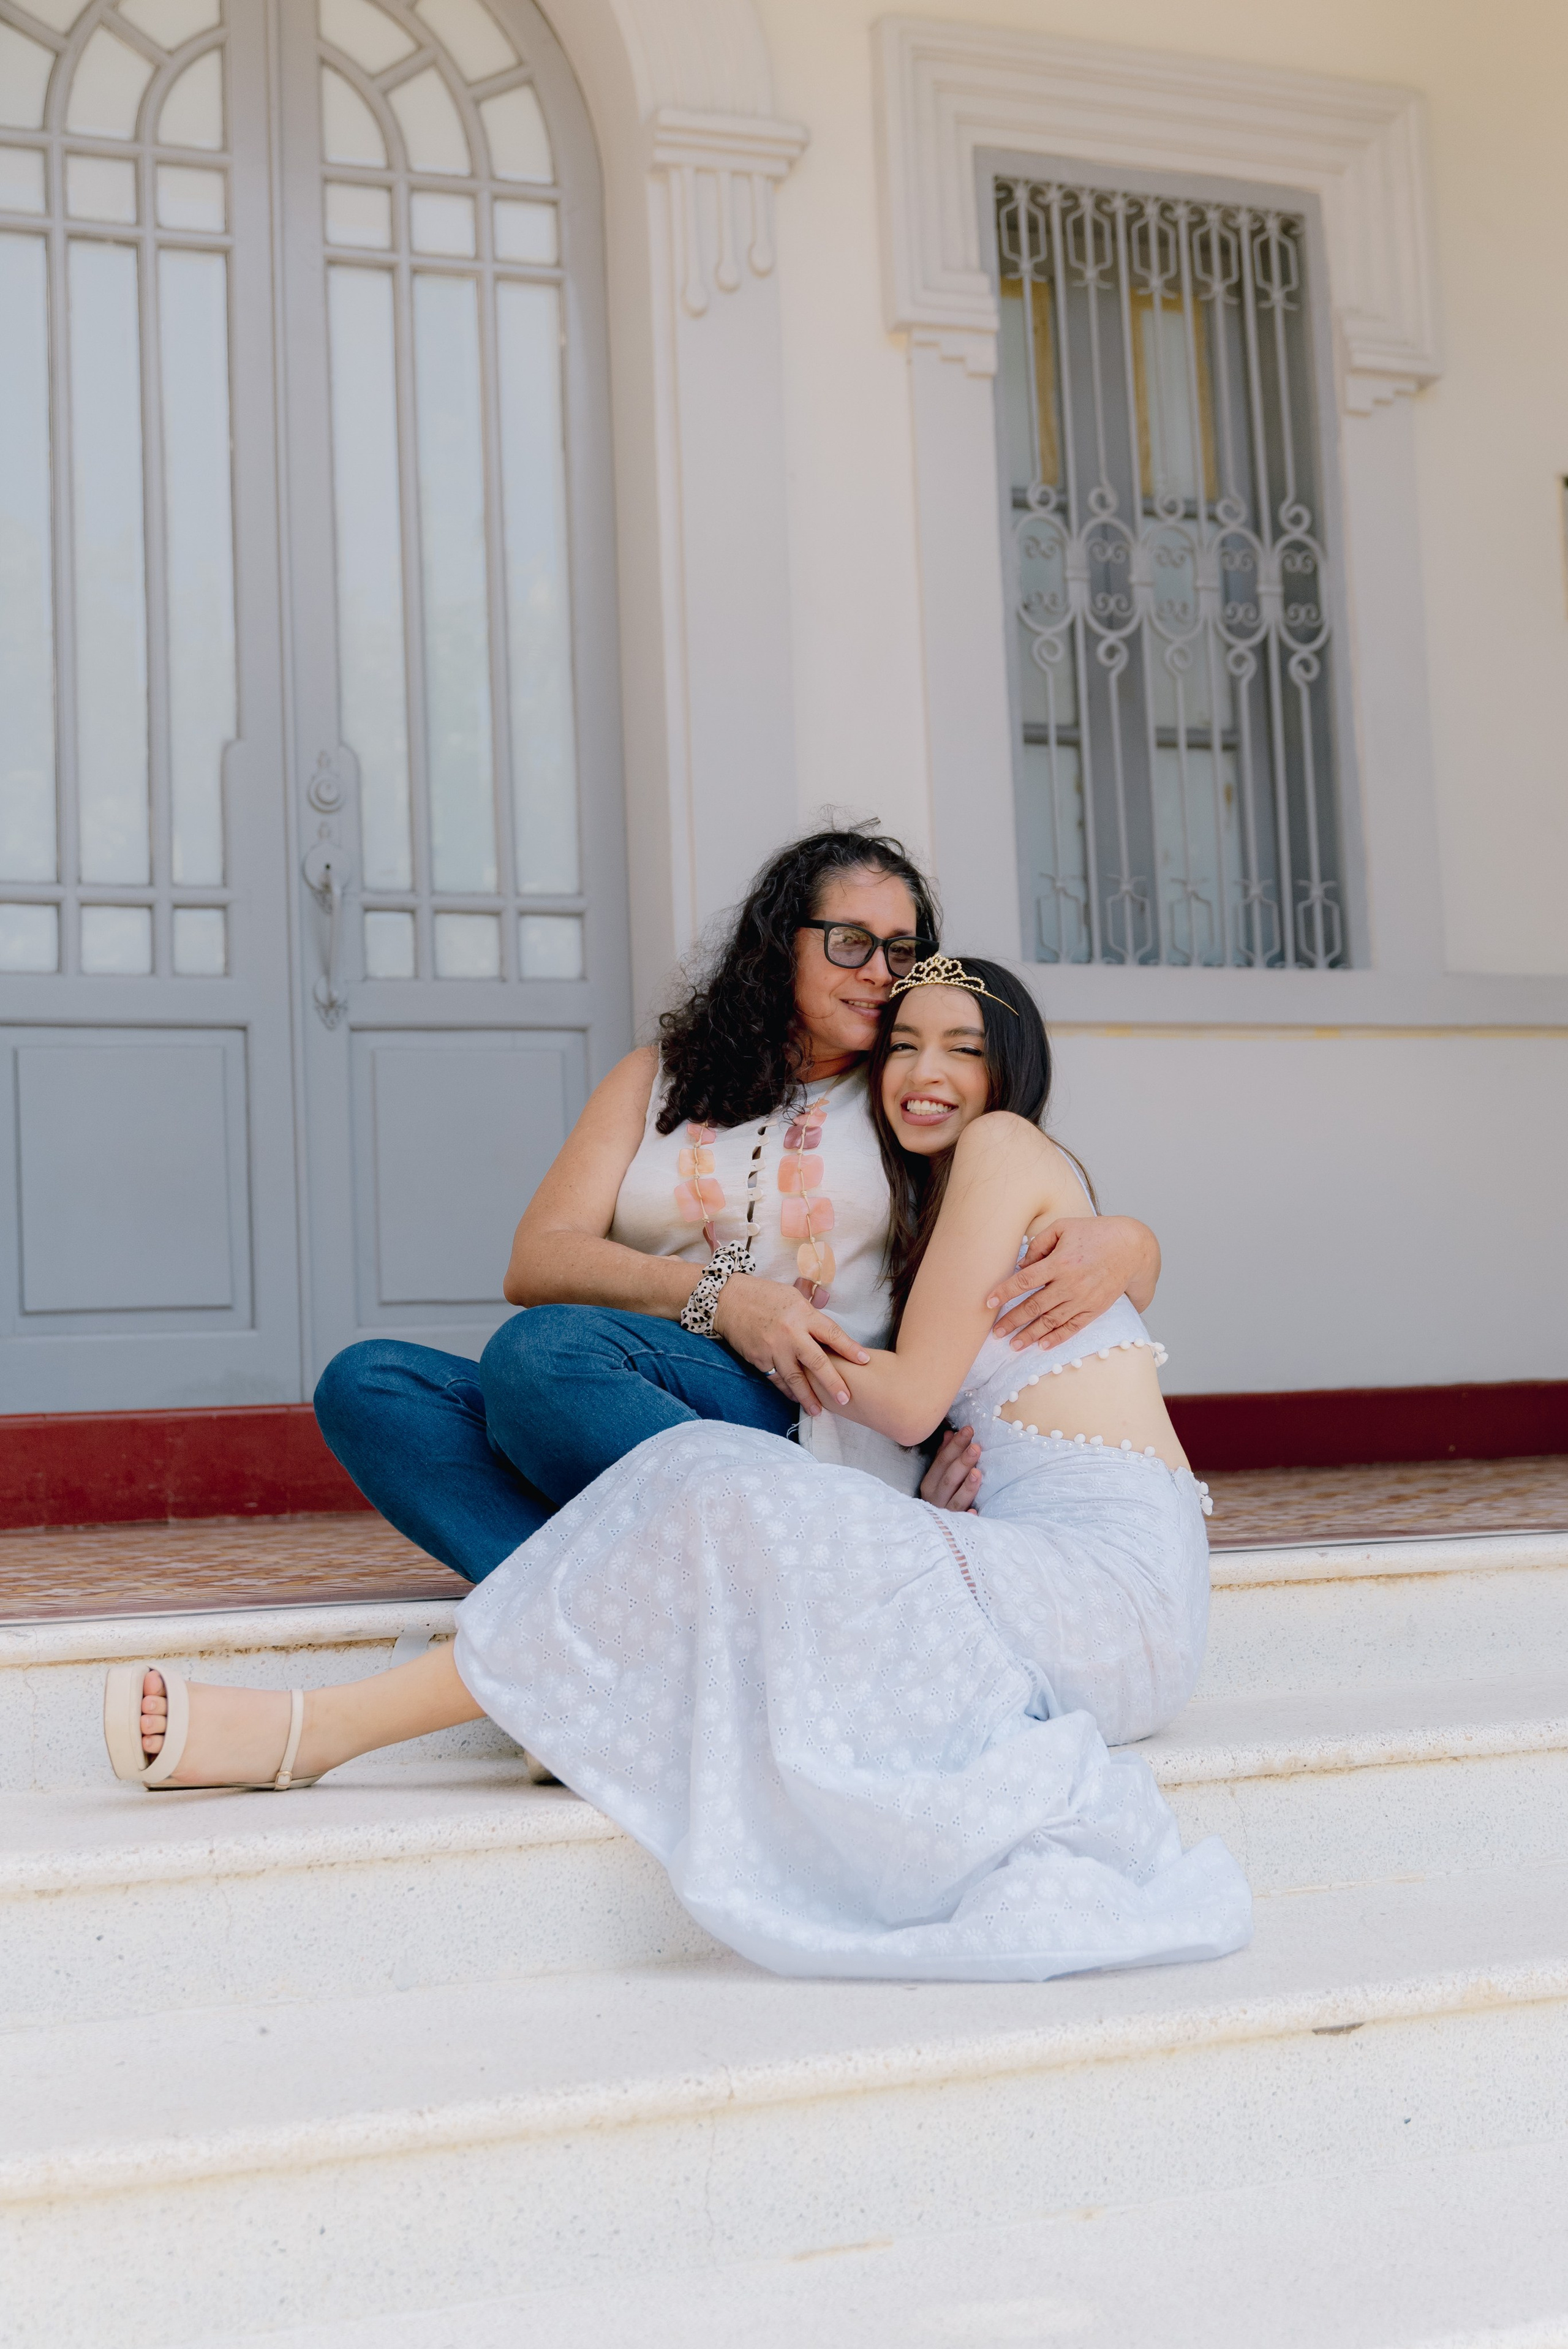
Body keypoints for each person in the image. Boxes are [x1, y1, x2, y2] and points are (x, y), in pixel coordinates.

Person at [105, 956, 1251, 1986]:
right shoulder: (932, 1197)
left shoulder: (1004, 1152)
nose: (921, 1070)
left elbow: (905, 1398)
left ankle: (314, 1731)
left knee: (710, 1475)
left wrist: (1129, 1243)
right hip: (1039, 1564)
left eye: (961, 1046)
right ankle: (595, 1666)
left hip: (1110, 1594)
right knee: (474, 1402)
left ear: (1015, 1068)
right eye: (903, 1043)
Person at [314, 827, 1161, 1578]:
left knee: (541, 1356)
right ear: (779, 946)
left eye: (904, 950)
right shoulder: (657, 1079)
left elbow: (1034, 1221)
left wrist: (1131, 1244)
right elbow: (537, 1257)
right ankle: (604, 1621)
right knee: (371, 1384)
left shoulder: (911, 1087)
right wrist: (727, 1301)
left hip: (810, 1420)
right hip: (624, 1398)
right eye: (849, 942)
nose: (879, 972)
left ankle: (622, 1607)